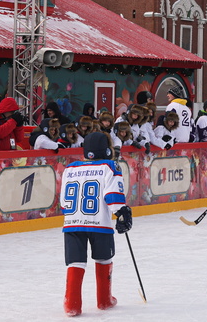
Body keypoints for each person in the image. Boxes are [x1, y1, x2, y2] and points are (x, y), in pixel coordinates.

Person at [61, 132, 132, 317]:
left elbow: (63, 203)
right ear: (108, 150)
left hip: (73, 223)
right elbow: (113, 196)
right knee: (103, 259)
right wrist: (122, 212)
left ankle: (72, 305)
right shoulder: (109, 166)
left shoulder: (69, 168)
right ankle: (104, 300)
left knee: (75, 262)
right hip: (100, 223)